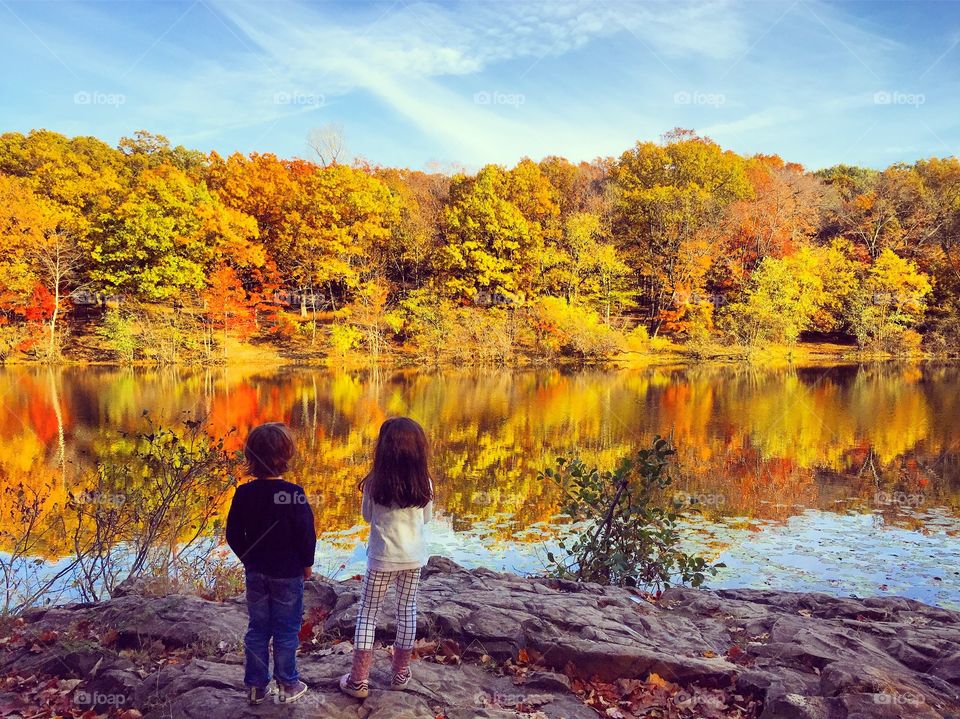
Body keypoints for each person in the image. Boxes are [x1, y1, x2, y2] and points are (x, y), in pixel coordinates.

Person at [339, 417, 434, 699]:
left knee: (368, 613)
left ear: (383, 449)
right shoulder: (424, 482)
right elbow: (426, 519)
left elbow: (367, 517)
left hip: (381, 559)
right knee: (407, 610)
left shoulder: (374, 484)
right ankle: (400, 674)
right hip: (413, 558)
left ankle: (358, 680)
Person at [226, 422, 315, 705]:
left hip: (256, 573)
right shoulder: (293, 493)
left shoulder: (243, 494)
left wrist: (248, 558)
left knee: (258, 629)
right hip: (288, 574)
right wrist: (307, 565)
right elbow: (306, 535)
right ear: (286, 456)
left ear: (251, 457)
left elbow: (232, 535)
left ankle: (255, 686)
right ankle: (288, 683)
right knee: (286, 630)